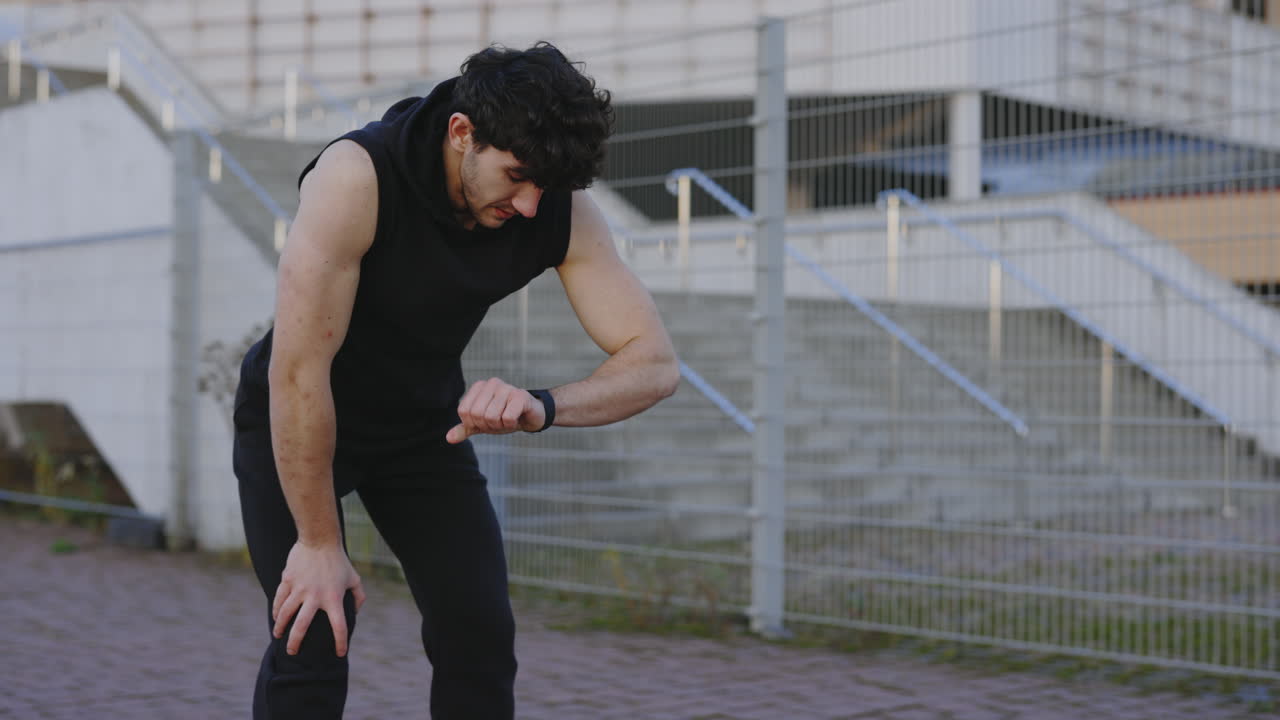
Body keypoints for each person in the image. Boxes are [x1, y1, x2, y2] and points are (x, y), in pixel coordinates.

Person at [231, 42, 680, 719]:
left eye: (546, 188)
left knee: (480, 637)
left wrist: (542, 405)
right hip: (298, 417)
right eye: (517, 176)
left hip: (423, 425)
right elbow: (300, 374)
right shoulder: (358, 177)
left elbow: (655, 364)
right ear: (462, 133)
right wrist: (320, 543)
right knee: (314, 634)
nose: (530, 206)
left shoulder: (555, 206)